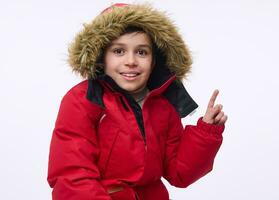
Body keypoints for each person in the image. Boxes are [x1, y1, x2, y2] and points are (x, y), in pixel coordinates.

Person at [47, 3, 228, 200]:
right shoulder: (84, 100)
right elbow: (72, 173)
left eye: (141, 52)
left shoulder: (163, 105)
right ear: (101, 56)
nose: (131, 61)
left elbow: (179, 173)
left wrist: (206, 132)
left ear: (155, 59)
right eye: (118, 51)